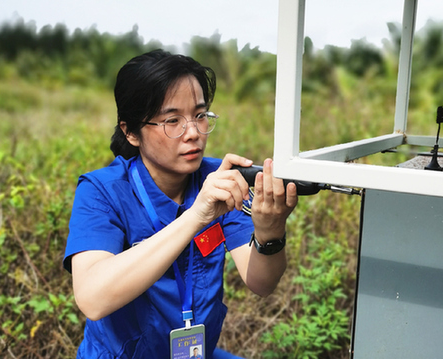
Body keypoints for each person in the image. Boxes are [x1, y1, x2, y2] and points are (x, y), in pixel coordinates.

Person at [63, 49, 298, 358]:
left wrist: (270, 233)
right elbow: (93, 298)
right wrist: (196, 217)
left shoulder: (217, 178)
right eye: (172, 120)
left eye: (200, 115)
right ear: (131, 131)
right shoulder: (102, 191)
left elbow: (261, 282)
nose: (193, 133)